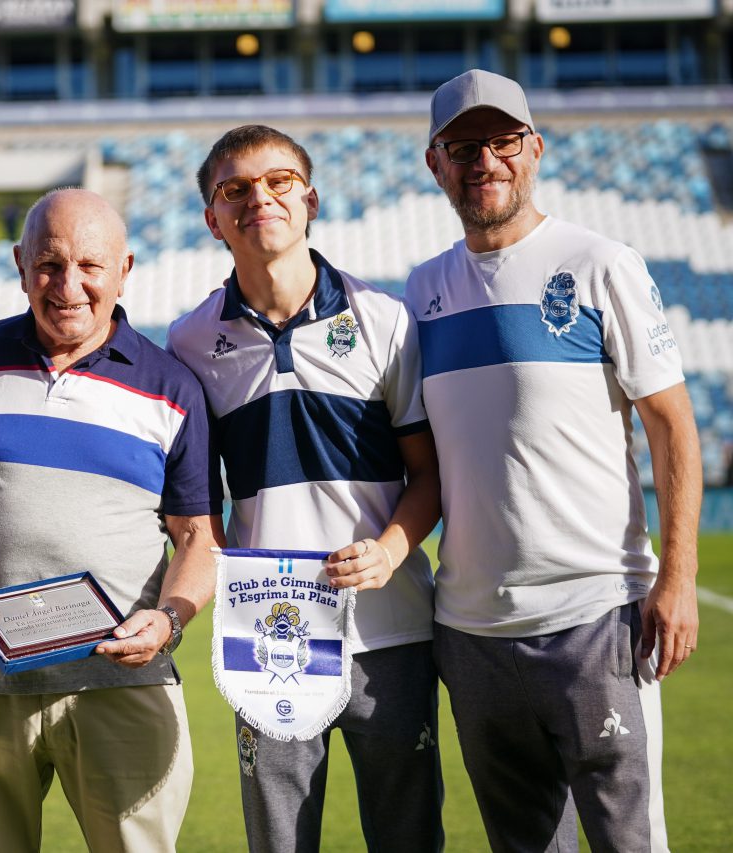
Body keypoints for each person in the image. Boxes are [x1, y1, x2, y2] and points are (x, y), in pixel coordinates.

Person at [408, 69, 703, 852]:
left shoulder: (601, 263)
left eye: (503, 141)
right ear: (435, 164)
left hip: (596, 618)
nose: (485, 161)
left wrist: (676, 579)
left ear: (534, 148)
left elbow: (673, 426)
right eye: (462, 147)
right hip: (470, 629)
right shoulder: (422, 290)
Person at [167, 124, 444, 852]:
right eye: (235, 189)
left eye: (279, 181)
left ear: (310, 200)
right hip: (267, 637)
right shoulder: (190, 342)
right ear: (213, 219)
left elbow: (429, 472)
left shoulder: (384, 320)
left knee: (409, 838)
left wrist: (390, 549)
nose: (259, 198)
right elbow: (195, 503)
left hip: (391, 627)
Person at [0, 187, 224, 853]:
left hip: (121, 679)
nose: (68, 286)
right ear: (19, 264)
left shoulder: (172, 386)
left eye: (90, 265)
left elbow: (199, 536)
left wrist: (170, 620)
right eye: (49, 264)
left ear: (125, 269)